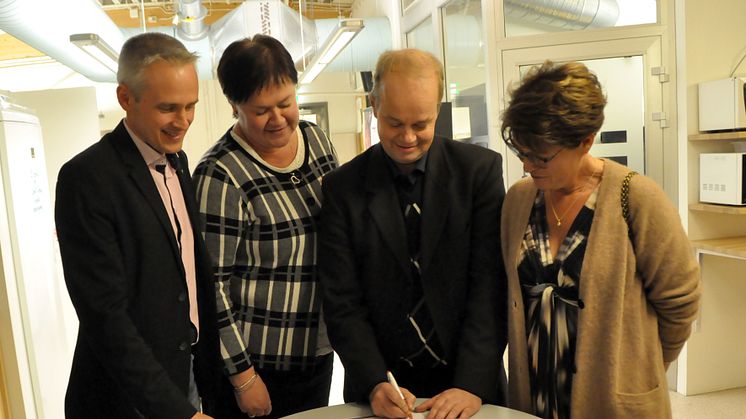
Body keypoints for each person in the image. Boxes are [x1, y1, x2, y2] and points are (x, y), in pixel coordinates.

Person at [499, 61, 701, 419]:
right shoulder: (518, 200)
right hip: (535, 399)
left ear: (586, 141)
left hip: (614, 402)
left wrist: (638, 367)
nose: (528, 166)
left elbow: (680, 303)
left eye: (541, 156)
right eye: (522, 153)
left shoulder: (635, 197)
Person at [319, 48, 508, 419]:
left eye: (420, 124)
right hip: (383, 388)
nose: (407, 137)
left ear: (438, 110)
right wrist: (374, 381)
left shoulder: (478, 173)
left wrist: (471, 384)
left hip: (467, 378)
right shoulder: (343, 188)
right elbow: (342, 301)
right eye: (393, 123)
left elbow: (489, 286)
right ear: (374, 105)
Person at [55, 33, 220, 419]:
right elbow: (105, 315)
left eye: (191, 106)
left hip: (185, 374)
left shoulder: (177, 163)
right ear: (126, 99)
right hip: (125, 396)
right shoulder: (87, 178)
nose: (184, 122)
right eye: (169, 108)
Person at [192, 35, 338, 419]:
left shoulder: (316, 139)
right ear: (234, 106)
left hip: (317, 350)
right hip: (259, 365)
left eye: (285, 103)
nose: (278, 119)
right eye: (260, 110)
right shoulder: (220, 175)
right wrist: (243, 377)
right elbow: (212, 289)